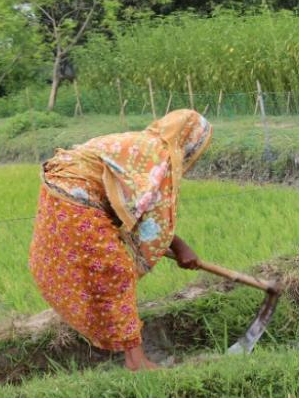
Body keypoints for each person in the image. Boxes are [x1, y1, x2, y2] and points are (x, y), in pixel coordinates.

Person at [29, 109, 212, 370]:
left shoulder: (141, 143)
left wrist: (177, 245)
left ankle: (126, 351)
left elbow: (131, 206)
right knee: (117, 272)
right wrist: (181, 247)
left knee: (103, 270)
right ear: (189, 140)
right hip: (77, 201)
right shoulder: (161, 155)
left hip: (58, 193)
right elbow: (152, 220)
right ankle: (136, 361)